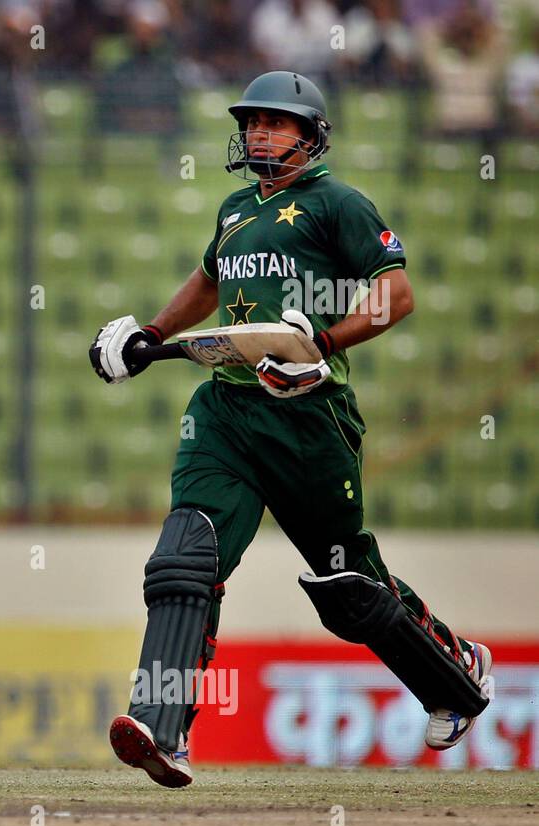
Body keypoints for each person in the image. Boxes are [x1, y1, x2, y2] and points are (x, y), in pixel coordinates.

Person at [89, 72, 493, 788]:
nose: (257, 135)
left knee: (348, 586)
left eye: (275, 124)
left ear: (311, 136)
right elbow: (210, 281)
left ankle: (455, 676)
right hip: (228, 411)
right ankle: (162, 726)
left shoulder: (337, 203)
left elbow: (396, 294)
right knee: (185, 557)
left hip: (309, 417)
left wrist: (325, 348)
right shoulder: (237, 207)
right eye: (251, 123)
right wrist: (149, 335)